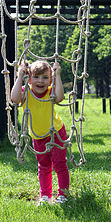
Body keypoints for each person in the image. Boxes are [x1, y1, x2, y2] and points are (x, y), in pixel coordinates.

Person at [11, 60, 70, 205]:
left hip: (55, 133)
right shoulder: (26, 92)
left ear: (50, 80)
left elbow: (60, 97)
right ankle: (45, 196)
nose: (40, 81)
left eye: (45, 77)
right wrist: (20, 76)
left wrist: (58, 75)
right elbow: (14, 98)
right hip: (37, 136)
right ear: (29, 78)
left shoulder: (51, 92)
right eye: (36, 77)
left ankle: (63, 194)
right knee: (43, 167)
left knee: (60, 164)